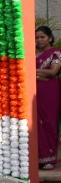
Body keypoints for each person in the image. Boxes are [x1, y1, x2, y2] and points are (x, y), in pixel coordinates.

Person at [36, 26, 60, 169]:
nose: (39, 40)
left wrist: (33, 71)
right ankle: (38, 157)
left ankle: (49, 159)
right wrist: (40, 74)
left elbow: (53, 72)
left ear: (50, 38)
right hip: (35, 90)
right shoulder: (32, 54)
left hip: (50, 91)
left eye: (42, 37)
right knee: (36, 123)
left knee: (49, 121)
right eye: (37, 38)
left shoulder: (56, 53)